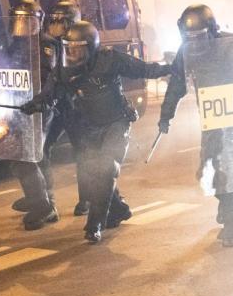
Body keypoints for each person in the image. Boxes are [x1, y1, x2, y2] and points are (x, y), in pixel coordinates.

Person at [23, 21, 172, 243]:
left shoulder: (109, 59)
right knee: (93, 173)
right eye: (68, 49)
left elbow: (146, 69)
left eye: (78, 49)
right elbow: (49, 95)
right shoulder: (62, 70)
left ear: (91, 48)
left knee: (106, 169)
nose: (72, 55)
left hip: (117, 123)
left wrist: (173, 67)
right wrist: (33, 105)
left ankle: (94, 225)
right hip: (89, 126)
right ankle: (119, 209)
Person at [159, 4, 233, 247]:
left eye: (199, 37)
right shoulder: (186, 51)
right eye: (189, 38)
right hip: (211, 119)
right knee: (209, 170)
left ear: (211, 31)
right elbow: (177, 83)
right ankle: (226, 202)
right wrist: (166, 114)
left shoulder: (229, 46)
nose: (195, 43)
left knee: (229, 169)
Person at [11, 1, 91, 217]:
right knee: (41, 150)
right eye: (53, 20)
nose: (55, 25)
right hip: (54, 105)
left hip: (74, 107)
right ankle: (43, 198)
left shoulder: (78, 43)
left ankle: (87, 199)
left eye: (61, 21)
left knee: (83, 151)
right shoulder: (44, 44)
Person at [3, 0, 59, 231]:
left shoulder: (45, 46)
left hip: (37, 109)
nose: (21, 26)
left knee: (23, 157)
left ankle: (41, 206)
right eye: (17, 21)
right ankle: (45, 199)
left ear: (38, 22)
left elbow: (46, 79)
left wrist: (37, 102)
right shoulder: (15, 45)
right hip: (17, 107)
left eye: (26, 21)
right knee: (36, 155)